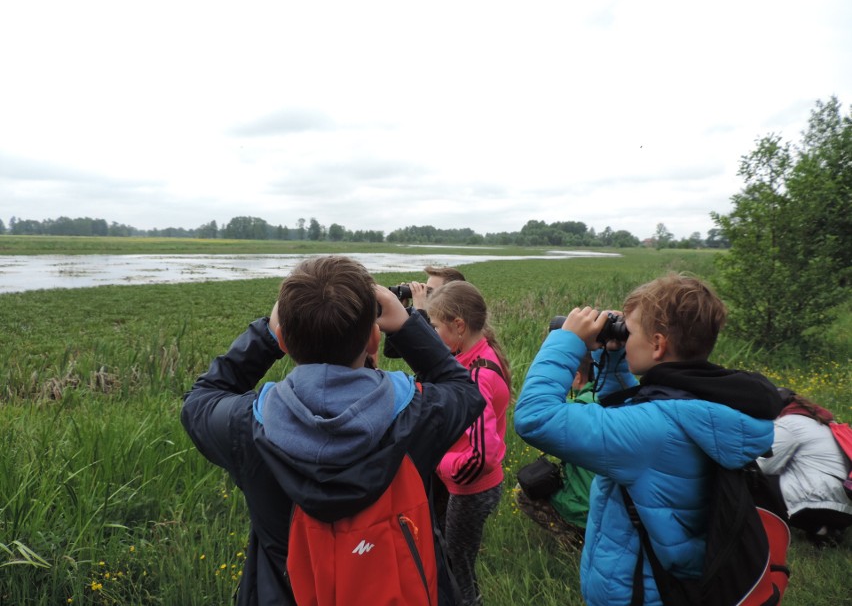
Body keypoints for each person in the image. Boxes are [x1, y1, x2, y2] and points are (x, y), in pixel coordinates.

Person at [181, 255, 486, 606]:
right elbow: (463, 390)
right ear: (374, 340)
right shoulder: (418, 414)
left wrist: (265, 334)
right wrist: (407, 325)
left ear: (284, 340)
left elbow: (199, 400)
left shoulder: (246, 427)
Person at [514, 273, 783, 606]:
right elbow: (632, 409)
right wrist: (612, 360)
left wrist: (566, 340)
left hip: (640, 591)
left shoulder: (654, 429)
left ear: (657, 344)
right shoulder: (703, 399)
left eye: (631, 331)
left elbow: (535, 418)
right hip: (672, 583)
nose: (624, 338)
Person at [425, 280, 511, 606]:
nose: (432, 333)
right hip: (474, 486)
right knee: (457, 555)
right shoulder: (478, 354)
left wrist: (439, 462)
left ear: (458, 325)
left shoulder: (477, 376)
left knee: (456, 563)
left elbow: (482, 456)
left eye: (434, 326)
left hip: (470, 489)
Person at [515, 350, 635, 550]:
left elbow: (535, 422)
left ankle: (572, 540)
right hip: (619, 508)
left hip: (586, 507)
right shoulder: (621, 397)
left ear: (577, 376)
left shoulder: (576, 408)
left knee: (523, 492)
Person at [757, 388, 852, 547]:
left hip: (820, 501)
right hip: (845, 506)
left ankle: (815, 528)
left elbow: (764, 465)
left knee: (750, 478)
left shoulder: (789, 423)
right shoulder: (823, 421)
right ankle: (826, 530)